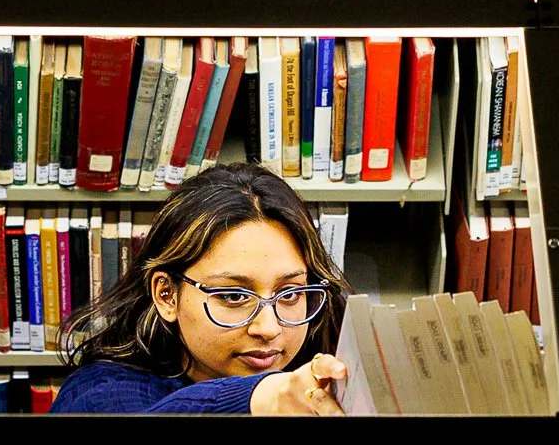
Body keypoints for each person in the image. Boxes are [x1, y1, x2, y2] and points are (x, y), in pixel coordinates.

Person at [52, 164, 350, 414]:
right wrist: (259, 396)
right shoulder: (99, 393)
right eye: (234, 296)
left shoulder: (330, 364)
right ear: (166, 294)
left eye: (290, 293)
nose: (269, 328)